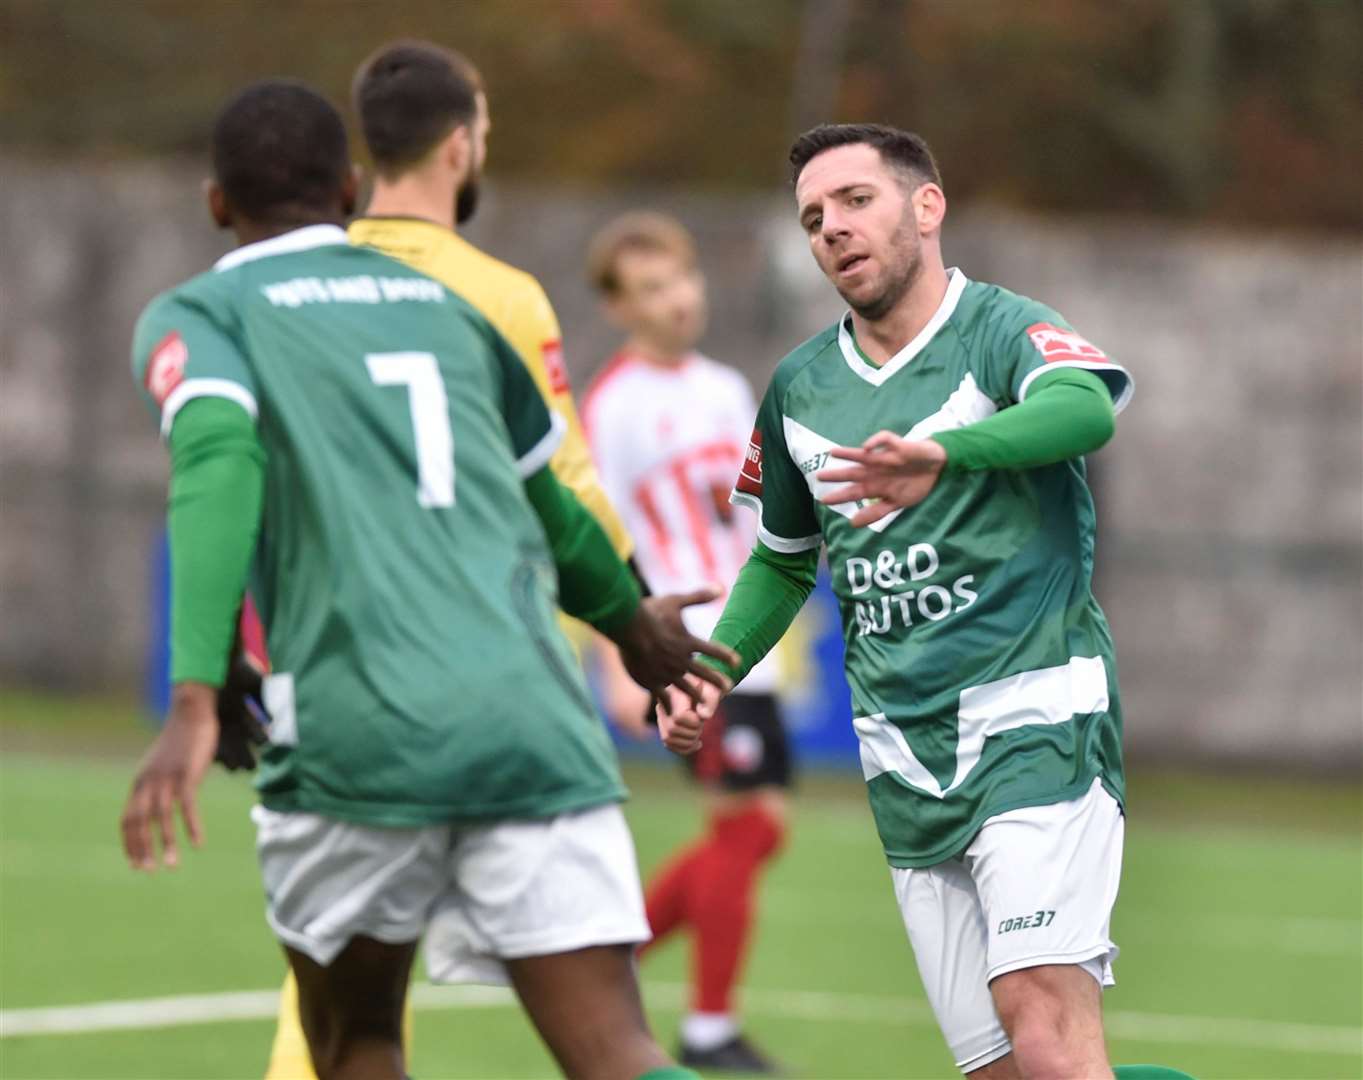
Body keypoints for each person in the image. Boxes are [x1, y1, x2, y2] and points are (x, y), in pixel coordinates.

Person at [119, 78, 736, 1080]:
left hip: (361, 730)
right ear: (350, 186)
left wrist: (196, 693)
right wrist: (632, 627)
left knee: (357, 1040)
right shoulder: (455, 313)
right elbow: (554, 511)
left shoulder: (206, 311)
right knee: (618, 1052)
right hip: (532, 725)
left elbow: (218, 466)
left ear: (215, 203)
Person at [655, 124, 1188, 1080]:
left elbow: (1086, 407)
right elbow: (781, 563)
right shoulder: (797, 387)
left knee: (1041, 1023)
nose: (833, 230)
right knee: (994, 1069)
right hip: (900, 751)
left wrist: (948, 454)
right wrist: (712, 670)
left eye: (856, 201)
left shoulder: (997, 328)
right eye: (813, 218)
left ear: (925, 207)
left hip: (1036, 717)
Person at [261, 39, 641, 1079]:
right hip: (494, 676)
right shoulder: (501, 295)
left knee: (342, 1000)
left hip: (335, 666)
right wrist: (636, 629)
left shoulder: (292, 285)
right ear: (462, 144)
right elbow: (565, 485)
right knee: (599, 1023)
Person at [580, 212, 790, 1073]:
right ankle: (708, 1027)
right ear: (619, 308)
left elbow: (755, 507)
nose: (677, 300)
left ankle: (597, 961)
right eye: (652, 289)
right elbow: (593, 540)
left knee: (759, 829)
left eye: (682, 279)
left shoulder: (725, 389)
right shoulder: (613, 407)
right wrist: (615, 662)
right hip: (679, 646)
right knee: (743, 828)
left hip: (747, 642)